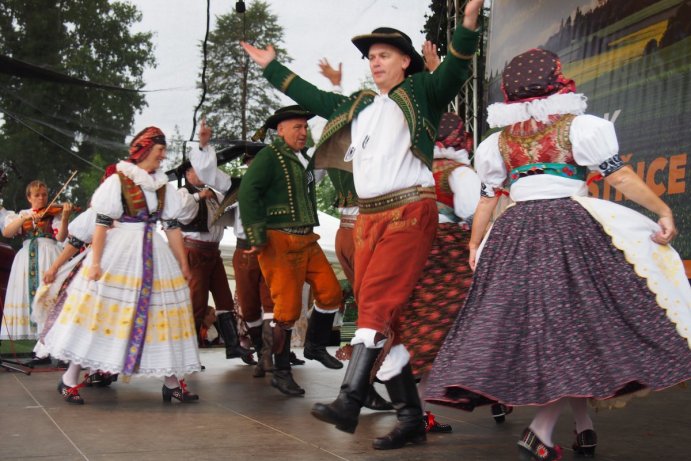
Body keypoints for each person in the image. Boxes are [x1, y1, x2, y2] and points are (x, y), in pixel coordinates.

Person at [425, 48, 691, 461]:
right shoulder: (581, 127)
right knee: (569, 331)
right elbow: (617, 174)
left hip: (513, 235)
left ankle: (584, 428)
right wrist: (661, 209)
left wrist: (477, 243)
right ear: (558, 81)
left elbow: (486, 200)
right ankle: (540, 431)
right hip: (568, 230)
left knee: (558, 333)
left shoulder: (498, 143)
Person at [241, 0, 482, 450]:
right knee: (389, 319)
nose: (375, 62)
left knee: (374, 305)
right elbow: (312, 97)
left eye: (384, 54)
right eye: (370, 57)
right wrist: (272, 67)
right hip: (368, 220)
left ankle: (350, 399)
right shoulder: (360, 105)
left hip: (410, 212)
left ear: (405, 61)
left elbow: (457, 67)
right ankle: (411, 417)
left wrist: (468, 22)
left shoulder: (424, 92)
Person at [42, 127, 201, 404]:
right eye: (159, 149)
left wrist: (183, 263)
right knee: (101, 312)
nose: (163, 155)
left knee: (159, 314)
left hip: (154, 252)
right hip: (121, 253)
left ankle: (171, 382)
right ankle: (69, 378)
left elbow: (172, 226)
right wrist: (95, 262)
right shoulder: (119, 180)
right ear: (145, 149)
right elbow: (101, 224)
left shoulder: (163, 185)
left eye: (163, 150)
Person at [238, 105, 344, 396]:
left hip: (307, 238)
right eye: (296, 127)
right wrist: (257, 235)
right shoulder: (269, 157)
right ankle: (281, 371)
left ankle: (314, 345)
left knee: (332, 292)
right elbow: (248, 191)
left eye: (305, 127)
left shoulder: (303, 159)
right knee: (287, 309)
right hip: (279, 241)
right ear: (280, 130)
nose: (303, 132)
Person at [398, 111, 480, 434]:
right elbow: (471, 212)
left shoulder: (416, 171)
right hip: (449, 254)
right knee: (460, 326)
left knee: (421, 332)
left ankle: (417, 414)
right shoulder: (459, 172)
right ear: (462, 140)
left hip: (413, 250)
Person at [176, 119, 253, 363]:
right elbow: (182, 214)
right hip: (195, 252)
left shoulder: (214, 195)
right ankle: (185, 354)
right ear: (188, 174)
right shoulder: (183, 194)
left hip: (213, 252)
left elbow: (229, 213)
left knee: (224, 298)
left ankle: (232, 346)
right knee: (196, 304)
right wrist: (199, 195)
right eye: (196, 171)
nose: (200, 174)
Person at [1, 180, 72, 341]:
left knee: (49, 295)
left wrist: (66, 218)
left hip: (49, 255)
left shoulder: (55, 214)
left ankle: (49, 345)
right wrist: (24, 218)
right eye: (37, 195)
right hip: (26, 257)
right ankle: (36, 345)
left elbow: (61, 237)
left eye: (44, 195)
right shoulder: (22, 214)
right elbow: (7, 232)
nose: (41, 198)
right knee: (28, 295)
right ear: (29, 197)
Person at [228, 150, 278, 378]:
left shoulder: (275, 185)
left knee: (271, 305)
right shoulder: (236, 185)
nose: (253, 165)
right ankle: (260, 351)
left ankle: (267, 355)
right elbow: (209, 173)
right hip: (243, 248)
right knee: (248, 308)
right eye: (249, 162)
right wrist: (203, 148)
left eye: (257, 161)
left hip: (270, 248)